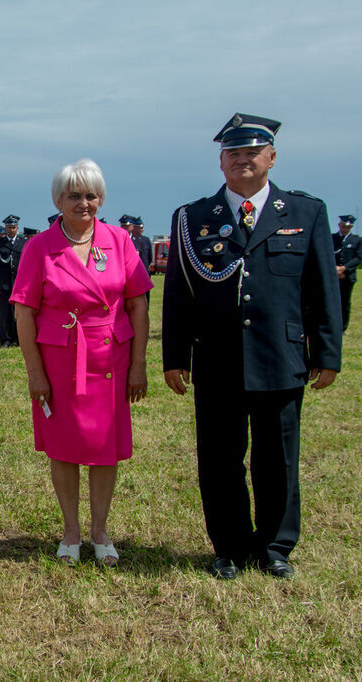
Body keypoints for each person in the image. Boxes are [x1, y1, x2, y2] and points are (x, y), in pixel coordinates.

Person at [163, 114, 341, 580]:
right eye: (233, 154)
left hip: (280, 357)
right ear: (221, 162)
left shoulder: (305, 213)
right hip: (218, 357)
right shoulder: (194, 219)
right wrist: (175, 356)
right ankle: (229, 546)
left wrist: (327, 352)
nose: (242, 160)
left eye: (251, 153)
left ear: (271, 158)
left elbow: (322, 289)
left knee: (277, 458)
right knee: (220, 458)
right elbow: (179, 295)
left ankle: (276, 547)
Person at [11, 159, 151, 567]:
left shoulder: (119, 240)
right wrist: (35, 373)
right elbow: (23, 314)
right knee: (64, 448)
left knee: (105, 449)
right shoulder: (39, 247)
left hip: (112, 356)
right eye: (74, 195)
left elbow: (138, 305)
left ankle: (100, 531)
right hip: (60, 361)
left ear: (101, 198)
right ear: (58, 200)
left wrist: (139, 364)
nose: (84, 203)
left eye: (91, 195)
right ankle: (71, 531)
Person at [0, 215, 24, 346]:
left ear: (17, 228)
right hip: (4, 284)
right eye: (8, 228)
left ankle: (18, 338)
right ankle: (5, 339)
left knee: (18, 313)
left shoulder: (23, 242)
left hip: (19, 284)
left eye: (13, 227)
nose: (11, 230)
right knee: (4, 313)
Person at [333, 214, 360, 331]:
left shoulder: (357, 240)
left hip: (347, 276)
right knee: (332, 302)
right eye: (343, 226)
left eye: (347, 227)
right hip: (332, 275)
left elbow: (358, 258)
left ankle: (343, 327)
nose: (344, 229)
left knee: (345, 302)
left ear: (351, 227)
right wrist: (334, 269)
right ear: (339, 225)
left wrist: (344, 268)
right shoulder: (331, 238)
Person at [130, 217, 153, 303]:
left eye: (142, 227)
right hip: (135, 273)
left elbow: (150, 257)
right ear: (134, 228)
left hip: (145, 272)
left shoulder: (146, 240)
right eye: (140, 227)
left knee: (146, 298)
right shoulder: (130, 240)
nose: (142, 229)